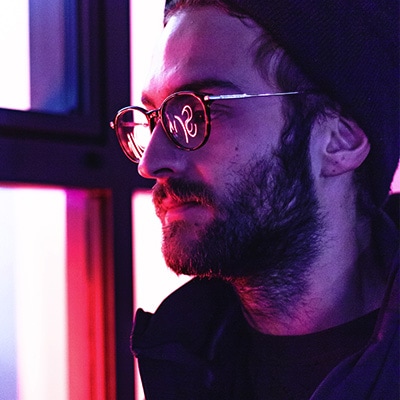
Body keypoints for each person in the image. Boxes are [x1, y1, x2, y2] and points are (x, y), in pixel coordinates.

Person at [111, 0, 399, 398]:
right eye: (156, 118)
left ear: (339, 140)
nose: (150, 162)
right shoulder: (184, 359)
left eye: (196, 112)